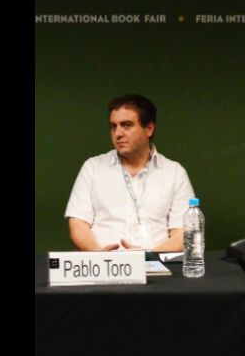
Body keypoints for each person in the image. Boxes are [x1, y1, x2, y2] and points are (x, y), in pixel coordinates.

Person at [65, 94, 195, 251]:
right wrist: (98, 255)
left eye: (126, 125)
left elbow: (184, 232)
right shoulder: (92, 168)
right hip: (104, 266)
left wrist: (149, 258)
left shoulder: (174, 172)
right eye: (114, 126)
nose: (118, 133)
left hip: (158, 266)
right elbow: (78, 224)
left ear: (149, 128)